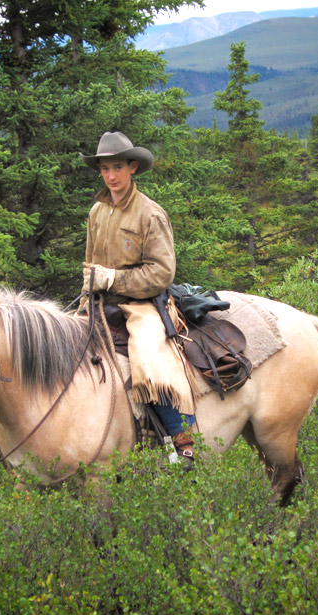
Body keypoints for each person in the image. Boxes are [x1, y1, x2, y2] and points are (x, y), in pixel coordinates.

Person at [80, 131, 196, 462]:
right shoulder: (96, 213)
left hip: (143, 304)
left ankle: (181, 439)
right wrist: (88, 297)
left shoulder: (150, 213)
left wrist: (113, 279)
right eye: (104, 169)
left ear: (132, 167)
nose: (111, 176)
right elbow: (90, 268)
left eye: (117, 167)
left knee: (148, 357)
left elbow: (162, 273)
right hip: (102, 303)